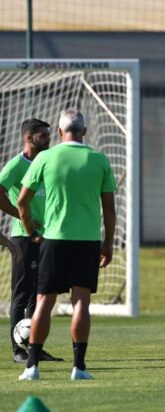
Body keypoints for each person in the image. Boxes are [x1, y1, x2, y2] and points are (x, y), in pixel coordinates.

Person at [17, 108, 116, 381]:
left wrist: (31, 231)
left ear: (60, 132)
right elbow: (109, 210)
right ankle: (79, 368)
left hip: (54, 240)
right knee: (81, 302)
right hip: (87, 242)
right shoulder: (99, 160)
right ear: (84, 132)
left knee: (43, 303)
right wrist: (108, 243)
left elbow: (22, 203)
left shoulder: (45, 158)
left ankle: (32, 367)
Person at [0, 118, 63, 363]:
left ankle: (35, 347)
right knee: (22, 293)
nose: (49, 139)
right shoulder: (16, 165)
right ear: (29, 138)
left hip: (47, 236)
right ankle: (18, 351)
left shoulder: (46, 163)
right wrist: (21, 214)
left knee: (40, 293)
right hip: (24, 237)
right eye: (44, 136)